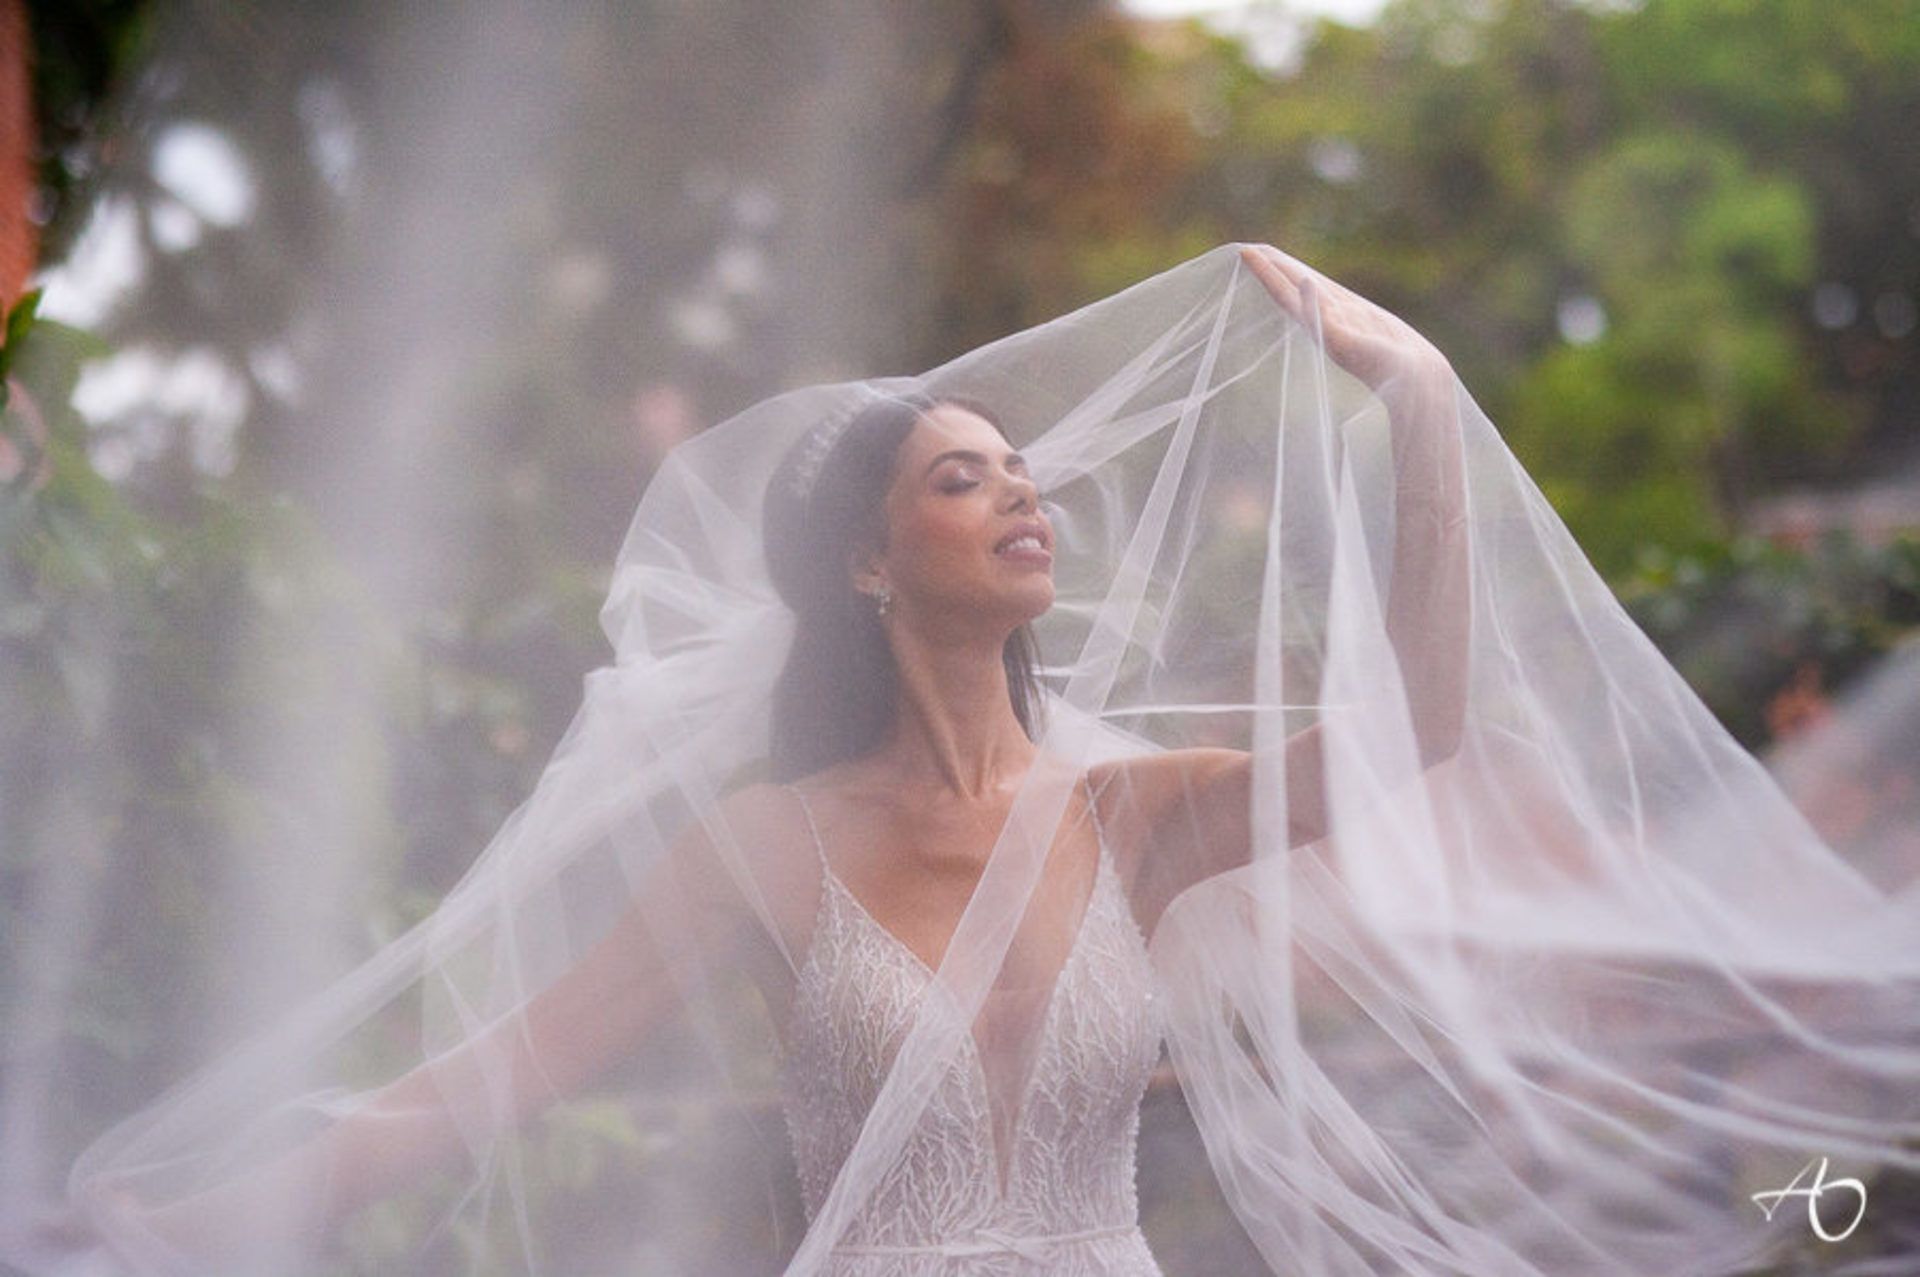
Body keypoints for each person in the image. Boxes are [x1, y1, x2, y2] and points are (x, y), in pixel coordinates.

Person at [11, 244, 1920, 1276]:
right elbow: (477, 1084)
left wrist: (1416, 395)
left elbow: (1417, 732)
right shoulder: (761, 846)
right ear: (869, 560)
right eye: (963, 474)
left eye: (1025, 470)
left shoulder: (1134, 812)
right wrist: (162, 1231)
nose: (1022, 491)